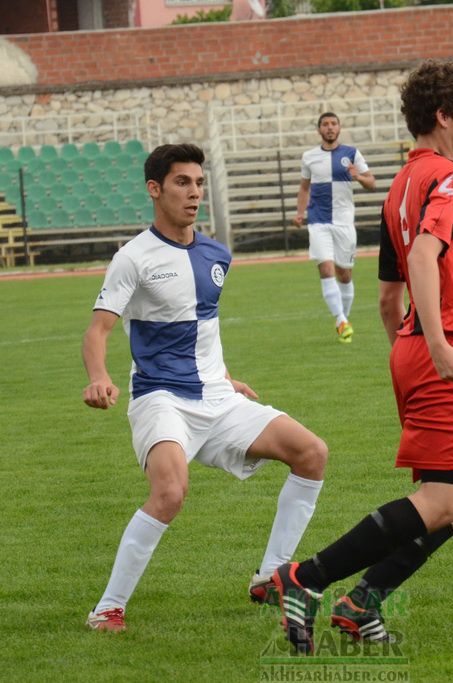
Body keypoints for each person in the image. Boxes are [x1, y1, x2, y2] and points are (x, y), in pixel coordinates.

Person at [272, 59, 453, 654]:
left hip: (411, 348)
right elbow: (422, 258)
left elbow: (388, 293)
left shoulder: (398, 184)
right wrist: (441, 347)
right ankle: (305, 578)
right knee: (444, 499)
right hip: (440, 349)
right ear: (443, 116)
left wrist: (412, 351)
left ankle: (359, 604)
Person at [82, 143, 327, 632]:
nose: (194, 193)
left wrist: (224, 376)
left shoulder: (217, 252)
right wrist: (99, 376)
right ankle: (108, 608)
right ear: (155, 189)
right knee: (170, 491)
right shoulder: (133, 258)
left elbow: (201, 326)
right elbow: (97, 331)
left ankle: (271, 575)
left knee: (312, 453)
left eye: (198, 183)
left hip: (217, 396)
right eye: (181, 183)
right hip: (161, 399)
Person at [293, 112, 376, 343]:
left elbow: (372, 182)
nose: (329, 128)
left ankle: (343, 319)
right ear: (319, 130)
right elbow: (304, 188)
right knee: (326, 268)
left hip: (344, 223)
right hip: (318, 221)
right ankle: (340, 319)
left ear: (339, 128)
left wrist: (358, 176)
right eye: (325, 124)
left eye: (333, 124)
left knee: (345, 275)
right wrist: (300, 213)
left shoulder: (351, 154)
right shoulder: (309, 157)